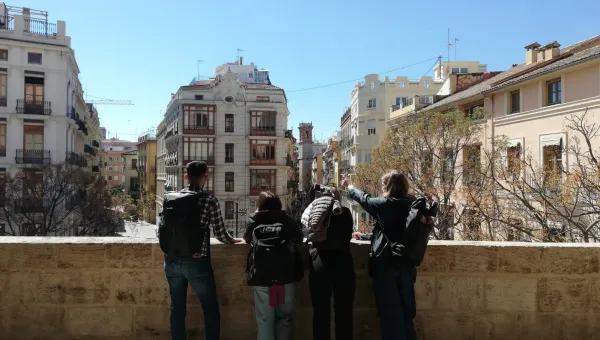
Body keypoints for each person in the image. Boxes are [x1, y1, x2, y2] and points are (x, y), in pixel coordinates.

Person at [343, 170, 431, 340]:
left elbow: (364, 199)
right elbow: (397, 230)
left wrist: (350, 186)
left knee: (391, 318)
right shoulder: (413, 204)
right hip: (407, 266)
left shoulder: (384, 204)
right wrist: (368, 236)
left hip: (386, 267)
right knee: (406, 316)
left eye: (383, 185)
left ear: (388, 186)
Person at [163, 161, 241, 340]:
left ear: (186, 177)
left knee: (177, 309)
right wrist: (231, 240)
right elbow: (221, 233)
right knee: (210, 309)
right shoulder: (209, 199)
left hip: (172, 260)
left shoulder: (170, 198)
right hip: (197, 260)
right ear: (205, 178)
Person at [244, 191, 304, 340]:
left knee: (265, 319)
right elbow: (300, 238)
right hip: (285, 276)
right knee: (285, 317)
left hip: (262, 276)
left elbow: (246, 238)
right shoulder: (286, 219)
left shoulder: (255, 219)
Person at [304, 185, 355, 340]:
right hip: (343, 264)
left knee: (320, 312)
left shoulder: (314, 213)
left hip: (319, 263)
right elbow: (347, 237)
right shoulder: (345, 213)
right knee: (344, 313)